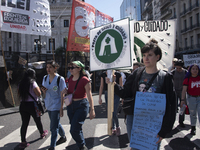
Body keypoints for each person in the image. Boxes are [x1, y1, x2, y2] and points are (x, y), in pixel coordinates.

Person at [111, 39, 176, 149]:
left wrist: (164, 131)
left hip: (154, 123)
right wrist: (113, 84)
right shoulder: (137, 73)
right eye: (144, 55)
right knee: (135, 147)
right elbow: (125, 93)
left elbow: (172, 105)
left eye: (150, 55)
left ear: (158, 57)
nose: (146, 58)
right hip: (135, 119)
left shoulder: (165, 77)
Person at [60, 61, 95, 150]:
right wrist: (66, 92)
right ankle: (81, 146)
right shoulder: (70, 79)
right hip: (71, 105)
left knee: (74, 130)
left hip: (81, 105)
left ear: (79, 69)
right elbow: (70, 92)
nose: (70, 69)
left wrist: (92, 109)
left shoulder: (84, 79)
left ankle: (82, 146)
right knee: (76, 128)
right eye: (69, 68)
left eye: (73, 67)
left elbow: (89, 94)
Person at [18, 68, 48, 149]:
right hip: (33, 105)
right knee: (37, 120)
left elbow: (18, 93)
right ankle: (42, 133)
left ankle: (23, 141)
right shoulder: (32, 83)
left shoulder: (21, 83)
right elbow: (38, 93)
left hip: (23, 105)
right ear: (33, 75)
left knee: (24, 123)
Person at [41, 60, 67, 150]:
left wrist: (61, 108)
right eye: (47, 67)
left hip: (56, 105)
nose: (48, 69)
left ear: (55, 68)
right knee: (55, 123)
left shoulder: (60, 79)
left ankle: (52, 146)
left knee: (53, 127)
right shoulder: (45, 78)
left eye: (50, 67)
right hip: (48, 104)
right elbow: (44, 93)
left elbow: (62, 94)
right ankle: (63, 136)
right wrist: (43, 92)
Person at [99, 70, 123, 136]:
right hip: (107, 93)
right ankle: (113, 127)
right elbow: (101, 86)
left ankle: (117, 127)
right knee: (109, 111)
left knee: (114, 111)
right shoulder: (103, 74)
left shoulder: (118, 74)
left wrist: (123, 98)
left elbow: (121, 86)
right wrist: (100, 97)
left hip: (116, 94)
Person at [181, 64, 200, 135]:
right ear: (190, 70)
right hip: (191, 98)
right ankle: (193, 128)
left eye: (196, 69)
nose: (195, 70)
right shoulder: (187, 79)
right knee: (193, 114)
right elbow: (184, 90)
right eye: (193, 69)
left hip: (199, 98)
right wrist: (182, 100)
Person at [171, 59, 188, 127]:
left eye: (179, 68)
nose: (178, 69)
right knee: (174, 107)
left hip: (182, 91)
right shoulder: (173, 72)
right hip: (174, 91)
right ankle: (172, 121)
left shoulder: (185, 72)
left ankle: (181, 121)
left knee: (182, 107)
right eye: (177, 68)